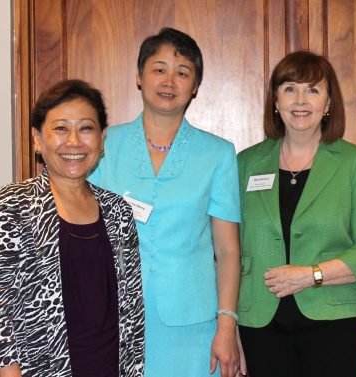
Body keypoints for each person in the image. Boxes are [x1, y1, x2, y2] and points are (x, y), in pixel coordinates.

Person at [88, 28, 242, 377]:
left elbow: (228, 251)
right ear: (139, 76)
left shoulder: (217, 154)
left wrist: (227, 325)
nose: (169, 81)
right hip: (114, 316)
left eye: (182, 72)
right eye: (159, 69)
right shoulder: (104, 145)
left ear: (195, 86)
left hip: (194, 323)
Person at [236, 50, 356, 377]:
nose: (300, 100)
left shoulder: (353, 163)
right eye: (290, 88)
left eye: (313, 89)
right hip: (260, 325)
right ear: (275, 101)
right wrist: (229, 325)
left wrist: (310, 275)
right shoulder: (246, 164)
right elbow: (228, 249)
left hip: (332, 323)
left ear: (328, 104)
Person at [0, 79, 144, 377]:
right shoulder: (14, 205)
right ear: (37, 138)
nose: (74, 141)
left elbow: (132, 308)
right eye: (60, 129)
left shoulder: (117, 211)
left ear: (101, 138)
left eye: (85, 128)